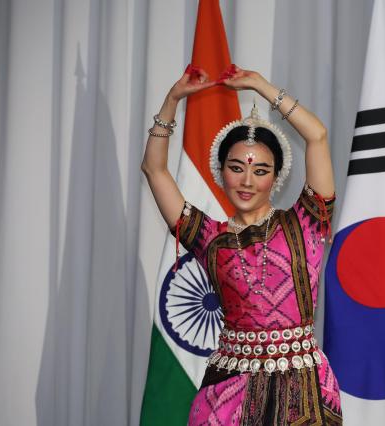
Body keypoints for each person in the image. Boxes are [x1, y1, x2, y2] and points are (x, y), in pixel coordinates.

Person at [142, 65, 343, 425]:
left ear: (276, 177)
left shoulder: (306, 222)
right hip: (228, 394)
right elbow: (154, 170)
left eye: (261, 170)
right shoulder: (209, 238)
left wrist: (262, 87)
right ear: (221, 171)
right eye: (237, 167)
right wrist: (172, 100)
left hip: (303, 396)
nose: (247, 180)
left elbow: (318, 136)